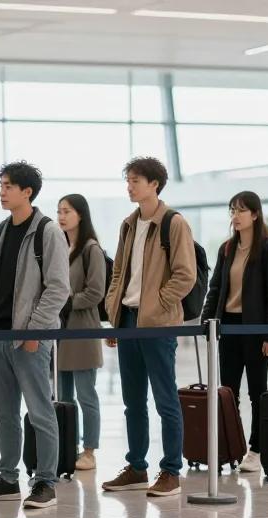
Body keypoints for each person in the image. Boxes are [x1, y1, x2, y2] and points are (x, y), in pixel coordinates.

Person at [0, 161, 70, 509]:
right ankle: (8, 478)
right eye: (1, 185)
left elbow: (58, 288)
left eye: (9, 186)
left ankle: (45, 481)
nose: (2, 191)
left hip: (30, 337)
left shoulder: (47, 231)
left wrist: (35, 330)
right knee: (5, 413)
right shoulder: (0, 231)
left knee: (40, 412)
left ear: (27, 191)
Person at [102, 157, 195, 497]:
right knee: (133, 401)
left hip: (157, 322)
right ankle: (137, 467)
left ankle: (171, 471)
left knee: (165, 399)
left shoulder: (173, 223)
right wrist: (115, 312)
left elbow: (186, 275)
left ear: (155, 183)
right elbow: (118, 273)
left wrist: (156, 303)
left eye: (136, 180)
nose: (130, 186)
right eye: (128, 180)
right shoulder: (128, 224)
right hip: (128, 319)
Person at [201, 191, 268, 473]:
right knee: (229, 391)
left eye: (241, 210)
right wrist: (207, 320)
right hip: (229, 327)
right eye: (232, 210)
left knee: (257, 392)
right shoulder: (227, 249)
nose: (235, 216)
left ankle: (257, 449)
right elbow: (215, 289)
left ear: (255, 214)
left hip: (256, 328)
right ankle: (230, 446)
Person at [56, 194, 106, 471]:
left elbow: (96, 291)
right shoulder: (60, 246)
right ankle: (67, 446)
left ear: (81, 215)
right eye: (59, 211)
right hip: (59, 330)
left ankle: (89, 450)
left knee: (86, 393)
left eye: (67, 211)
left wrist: (68, 302)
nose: (61, 216)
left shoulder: (90, 249)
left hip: (82, 329)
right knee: (63, 395)